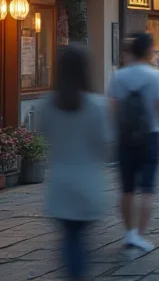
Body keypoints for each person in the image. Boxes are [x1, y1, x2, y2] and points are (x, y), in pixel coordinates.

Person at [39, 45, 110, 281]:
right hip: (88, 182)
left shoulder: (47, 104)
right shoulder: (97, 105)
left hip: (59, 183)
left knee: (70, 237)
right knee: (79, 238)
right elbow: (105, 144)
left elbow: (45, 136)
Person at [109, 33, 159, 253]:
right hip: (151, 135)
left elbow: (113, 108)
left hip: (125, 138)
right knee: (147, 189)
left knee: (126, 189)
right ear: (148, 50)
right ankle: (140, 236)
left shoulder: (119, 76)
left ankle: (129, 233)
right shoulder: (156, 77)